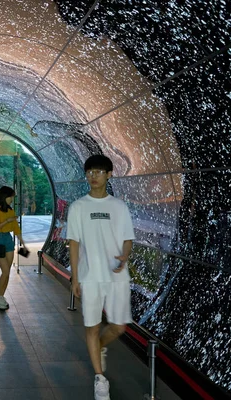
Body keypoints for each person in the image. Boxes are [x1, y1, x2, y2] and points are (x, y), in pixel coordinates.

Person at [66, 154, 135, 400]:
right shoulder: (78, 207)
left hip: (117, 276)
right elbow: (73, 243)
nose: (93, 176)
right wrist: (75, 278)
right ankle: (100, 378)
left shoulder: (119, 206)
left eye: (98, 171)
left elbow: (128, 239)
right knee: (92, 326)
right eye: (89, 172)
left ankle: (99, 347)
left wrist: (124, 256)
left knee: (118, 326)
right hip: (90, 276)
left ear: (109, 174)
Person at [0, 186, 27, 310]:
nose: (12, 199)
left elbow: (16, 228)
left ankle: (1, 297)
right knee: (5, 271)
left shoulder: (10, 211)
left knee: (7, 272)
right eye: (11, 197)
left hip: (8, 240)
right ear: (5, 197)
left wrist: (23, 243)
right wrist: (7, 221)